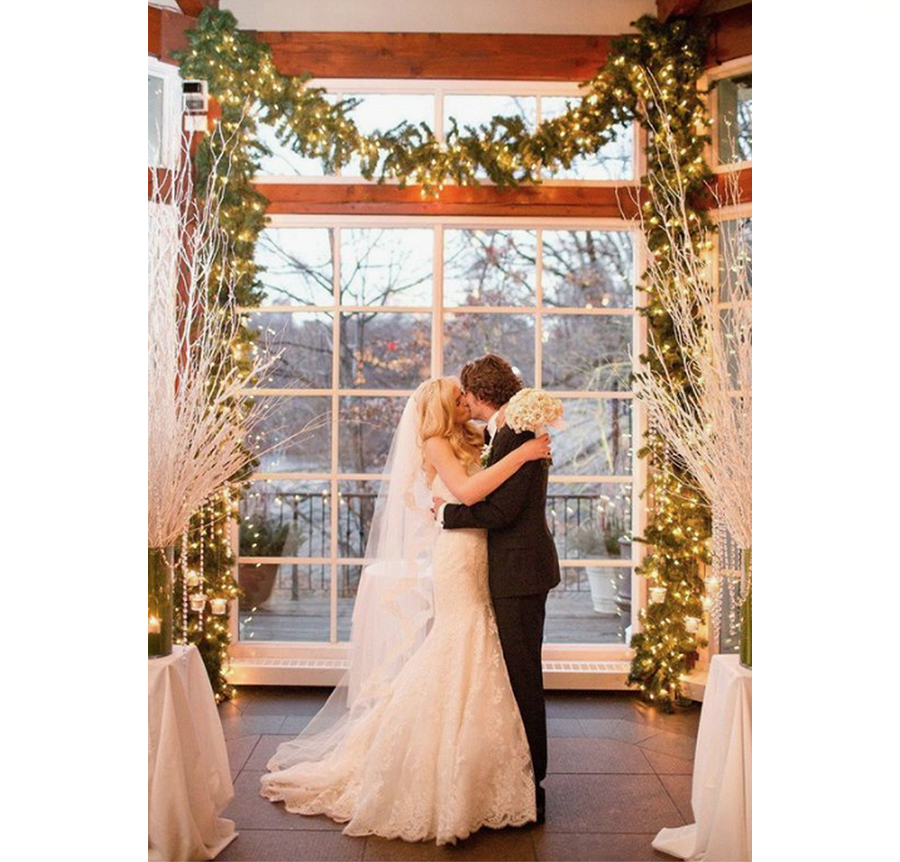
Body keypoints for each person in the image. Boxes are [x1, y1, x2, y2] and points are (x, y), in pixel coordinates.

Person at [260, 376, 552, 845]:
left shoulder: (477, 437)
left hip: (483, 552)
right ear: (441, 406)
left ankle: (485, 768)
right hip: (458, 553)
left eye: (467, 396)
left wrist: (516, 451)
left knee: (482, 648)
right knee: (461, 636)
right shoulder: (435, 442)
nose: (466, 402)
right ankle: (434, 767)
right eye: (458, 398)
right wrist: (522, 454)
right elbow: (471, 492)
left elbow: (490, 494)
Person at [434, 354, 561, 824]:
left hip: (520, 572)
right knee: (514, 676)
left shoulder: (518, 433)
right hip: (516, 570)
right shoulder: (508, 432)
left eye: (467, 394)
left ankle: (535, 783)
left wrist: (448, 514)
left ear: (482, 393)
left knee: (523, 677)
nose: (464, 402)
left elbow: (503, 512)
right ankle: (522, 774)